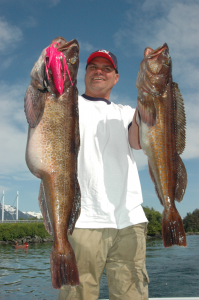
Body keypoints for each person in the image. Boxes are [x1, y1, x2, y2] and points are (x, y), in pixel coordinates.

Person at [58, 50, 149, 300]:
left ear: (116, 77)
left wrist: (149, 96)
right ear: (84, 74)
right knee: (77, 294)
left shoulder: (127, 112)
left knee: (132, 294)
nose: (99, 71)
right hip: (82, 220)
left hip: (129, 220)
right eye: (93, 67)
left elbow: (138, 141)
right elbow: (48, 84)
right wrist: (53, 57)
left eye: (106, 68)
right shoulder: (67, 104)